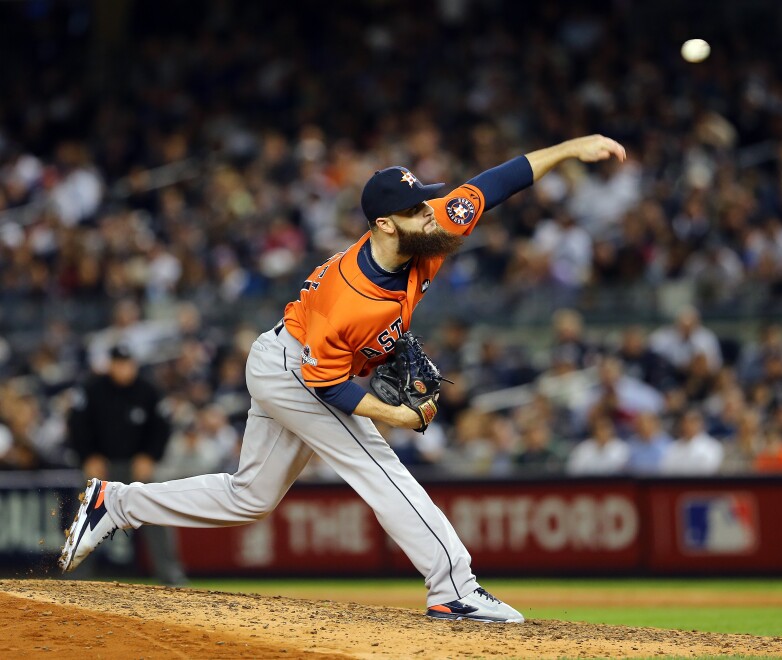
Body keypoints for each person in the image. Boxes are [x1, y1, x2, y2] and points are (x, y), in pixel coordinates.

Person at [59, 134, 626, 623]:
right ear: (384, 224)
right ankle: (453, 590)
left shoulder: (430, 227)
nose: (433, 212)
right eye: (417, 209)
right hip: (295, 369)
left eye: (427, 201)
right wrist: (399, 415)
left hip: (293, 355)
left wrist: (574, 149)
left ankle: (116, 504)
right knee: (376, 464)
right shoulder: (351, 298)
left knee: (250, 495)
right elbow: (327, 385)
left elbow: (500, 181)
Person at [66, 344, 188, 585]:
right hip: (102, 467)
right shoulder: (92, 389)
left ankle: (170, 575)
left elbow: (162, 428)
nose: (123, 369)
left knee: (156, 516)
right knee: (85, 520)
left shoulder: (149, 390)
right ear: (110, 364)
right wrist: (88, 455)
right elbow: (77, 425)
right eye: (118, 363)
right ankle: (76, 578)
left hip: (136, 467)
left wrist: (150, 456)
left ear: (134, 364)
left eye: (127, 363)